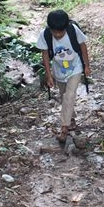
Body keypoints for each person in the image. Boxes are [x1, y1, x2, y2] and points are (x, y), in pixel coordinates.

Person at [37, 9, 91, 143]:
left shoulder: (73, 30)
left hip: (75, 67)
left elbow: (83, 46)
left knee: (69, 95)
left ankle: (64, 128)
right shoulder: (45, 35)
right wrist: (48, 75)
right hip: (59, 71)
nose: (57, 35)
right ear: (50, 29)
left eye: (60, 32)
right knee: (64, 96)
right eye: (54, 32)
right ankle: (71, 119)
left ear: (66, 27)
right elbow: (45, 55)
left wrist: (86, 65)